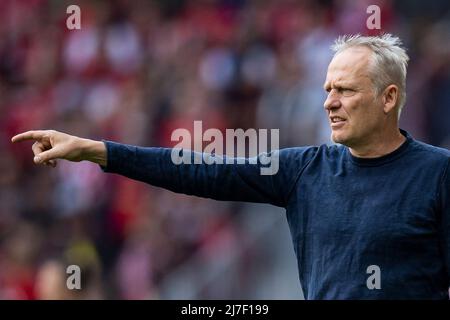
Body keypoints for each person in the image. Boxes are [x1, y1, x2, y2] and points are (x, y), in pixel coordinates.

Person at [11, 34, 450, 299]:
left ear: (389, 97)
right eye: (327, 88)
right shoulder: (305, 171)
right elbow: (199, 170)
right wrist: (100, 151)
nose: (329, 102)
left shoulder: (437, 174)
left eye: (345, 90)